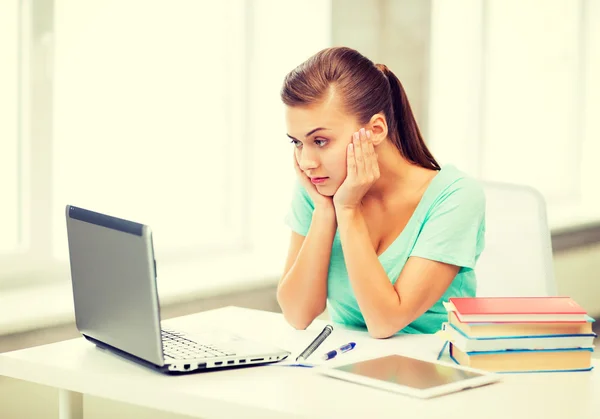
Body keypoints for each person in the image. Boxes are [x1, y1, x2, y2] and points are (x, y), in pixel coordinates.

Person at [276, 46, 485, 338]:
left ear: (375, 130)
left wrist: (347, 211)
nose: (307, 162)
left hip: (437, 367)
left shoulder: (455, 197)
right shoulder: (320, 188)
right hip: (350, 366)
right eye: (296, 143)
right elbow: (298, 315)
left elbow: (385, 322)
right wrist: (326, 212)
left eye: (320, 141)